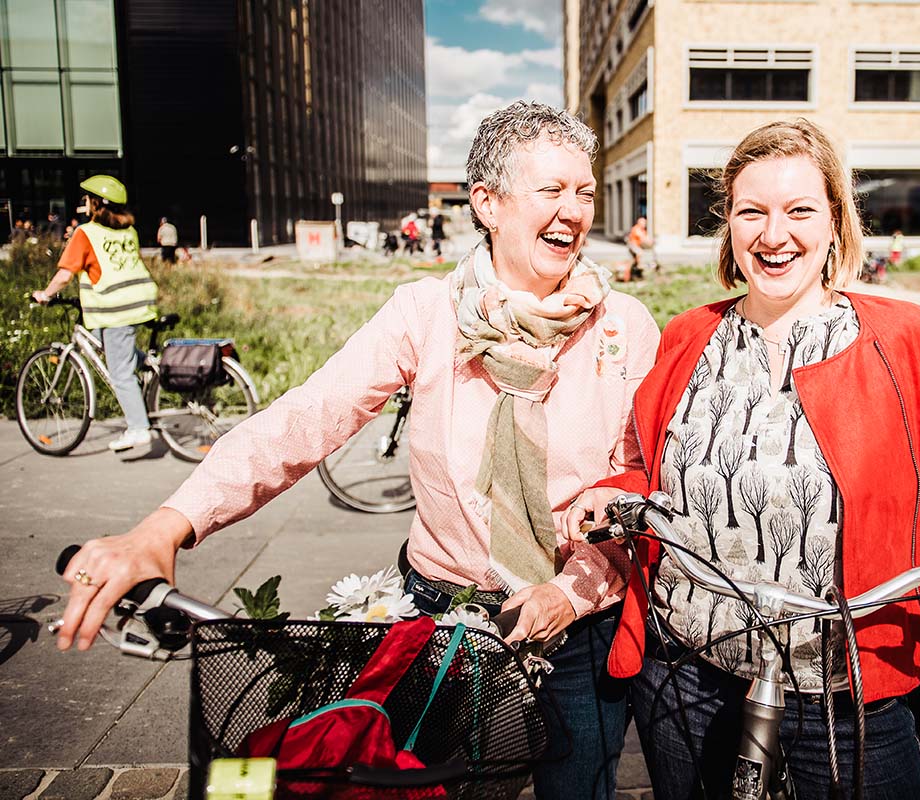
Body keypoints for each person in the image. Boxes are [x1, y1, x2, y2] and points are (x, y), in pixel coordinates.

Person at [54, 102, 659, 800]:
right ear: (488, 203)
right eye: (551, 191)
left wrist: (566, 591)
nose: (574, 212)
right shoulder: (425, 314)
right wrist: (166, 524)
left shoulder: (625, 328)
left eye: (584, 192)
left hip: (576, 630)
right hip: (440, 620)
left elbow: (637, 481)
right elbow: (304, 418)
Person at [566, 119, 920, 799]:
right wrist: (613, 491)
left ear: (836, 222)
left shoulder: (907, 338)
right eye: (752, 211)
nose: (773, 234)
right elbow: (651, 468)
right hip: (689, 668)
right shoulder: (691, 333)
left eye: (799, 210)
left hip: (844, 684)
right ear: (730, 227)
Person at [33, 175, 159, 453]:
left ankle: (139, 429)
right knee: (100, 340)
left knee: (120, 374)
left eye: (87, 200)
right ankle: (146, 364)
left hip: (116, 309)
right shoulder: (129, 231)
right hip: (137, 302)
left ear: (95, 204)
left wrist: (46, 294)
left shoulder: (86, 233)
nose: (84, 204)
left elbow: (66, 274)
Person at [624, 215, 652, 281]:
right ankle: (638, 267)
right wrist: (649, 242)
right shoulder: (636, 229)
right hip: (633, 245)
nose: (644, 224)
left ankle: (636, 273)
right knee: (639, 253)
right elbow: (643, 238)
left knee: (634, 261)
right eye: (643, 223)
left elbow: (646, 238)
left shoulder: (643, 230)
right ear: (639, 223)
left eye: (645, 223)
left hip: (636, 246)